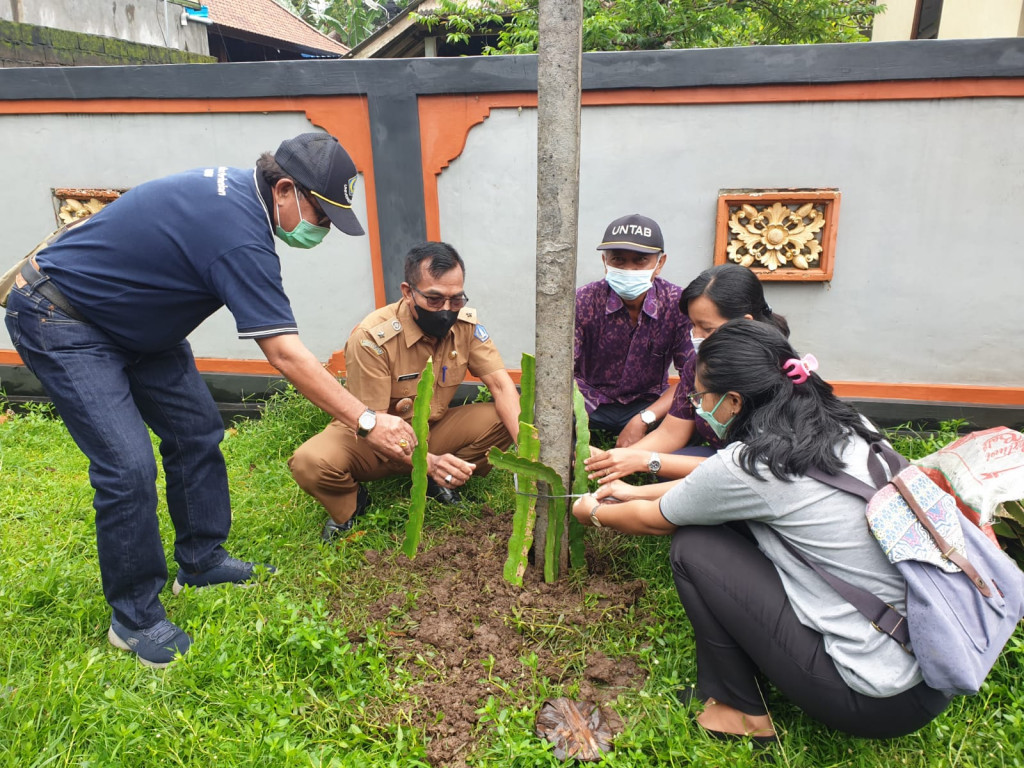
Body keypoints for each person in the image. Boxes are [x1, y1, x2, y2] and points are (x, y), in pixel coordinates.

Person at [4, 132, 417, 668]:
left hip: (138, 324)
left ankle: (200, 562)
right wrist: (365, 419)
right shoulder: (239, 234)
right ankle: (133, 618)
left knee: (196, 431)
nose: (322, 229)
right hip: (63, 316)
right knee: (127, 467)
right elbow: (287, 355)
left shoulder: (242, 199)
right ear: (286, 189)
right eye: (321, 214)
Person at [572, 320, 951, 742]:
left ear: (734, 401)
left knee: (694, 546)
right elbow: (707, 493)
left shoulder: (753, 464)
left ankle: (741, 714)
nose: (698, 406)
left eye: (700, 397)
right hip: (935, 657)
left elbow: (655, 519)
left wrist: (593, 512)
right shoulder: (844, 423)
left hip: (878, 699)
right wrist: (627, 492)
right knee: (726, 524)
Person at [289, 241, 520, 541]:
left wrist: (529, 452)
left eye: (456, 299)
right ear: (408, 291)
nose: (447, 310)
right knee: (311, 462)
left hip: (429, 430)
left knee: (508, 415)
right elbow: (375, 428)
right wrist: (428, 463)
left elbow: (502, 386)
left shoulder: (465, 326)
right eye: (435, 299)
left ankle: (443, 482)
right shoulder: (372, 337)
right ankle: (351, 504)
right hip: (369, 436)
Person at [584, 263, 788, 485]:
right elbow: (671, 433)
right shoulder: (698, 365)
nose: (696, 336)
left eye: (707, 329)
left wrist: (644, 466)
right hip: (726, 462)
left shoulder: (774, 373)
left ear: (744, 324)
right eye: (692, 325)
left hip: (765, 472)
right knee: (673, 465)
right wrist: (612, 459)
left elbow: (752, 466)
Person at [574, 214, 692, 448]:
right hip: (590, 399)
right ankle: (567, 467)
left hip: (648, 404)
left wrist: (643, 419)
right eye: (618, 259)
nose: (629, 269)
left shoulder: (677, 303)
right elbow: (559, 371)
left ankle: (656, 467)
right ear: (604, 261)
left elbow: (692, 374)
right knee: (547, 413)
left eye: (640, 260)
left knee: (694, 413)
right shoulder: (584, 300)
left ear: (660, 263)